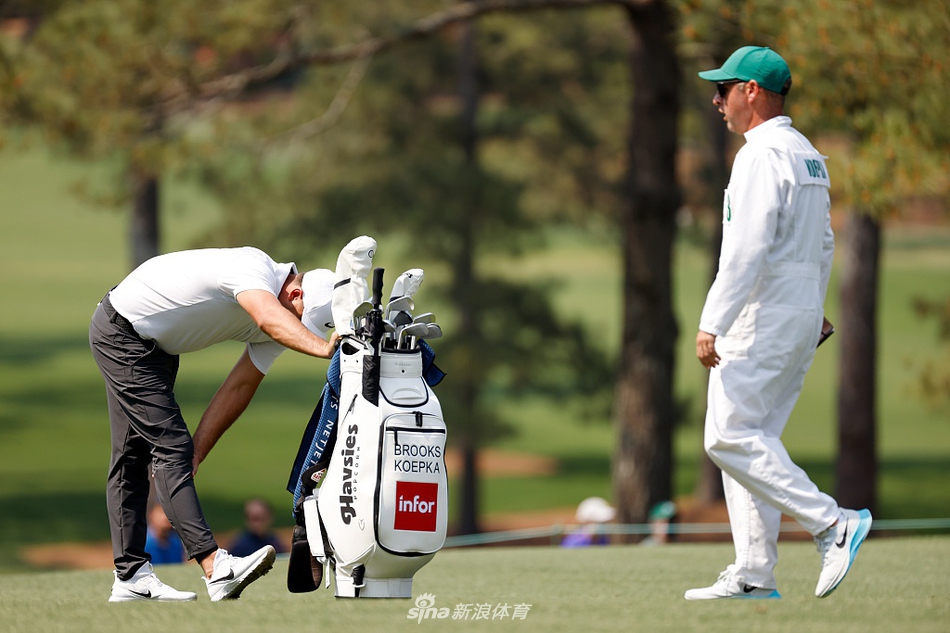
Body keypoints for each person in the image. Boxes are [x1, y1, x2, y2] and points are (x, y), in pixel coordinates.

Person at [687, 46, 871, 601]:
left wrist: (711, 321)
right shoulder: (807, 155)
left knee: (727, 436)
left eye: (724, 89)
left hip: (760, 316)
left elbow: (746, 249)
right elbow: (824, 242)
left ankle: (832, 523)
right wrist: (812, 306)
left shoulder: (761, 156)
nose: (717, 100)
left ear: (752, 91)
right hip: (795, 315)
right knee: (754, 440)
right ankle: (753, 573)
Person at [89, 242, 362, 602]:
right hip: (123, 331)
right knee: (170, 447)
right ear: (295, 293)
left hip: (156, 348)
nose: (297, 329)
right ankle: (215, 567)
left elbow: (239, 386)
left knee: (134, 456)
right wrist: (323, 349)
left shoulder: (281, 318)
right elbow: (268, 317)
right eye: (300, 320)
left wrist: (198, 450)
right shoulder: (253, 267)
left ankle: (130, 577)